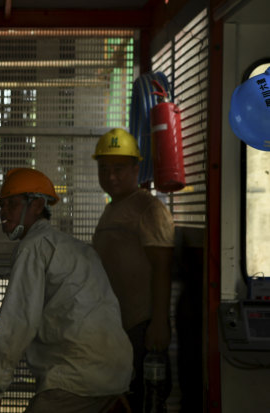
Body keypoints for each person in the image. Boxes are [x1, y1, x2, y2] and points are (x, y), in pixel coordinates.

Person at [0, 168, 133, 413]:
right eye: (2, 206)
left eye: (12, 204)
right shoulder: (76, 249)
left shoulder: (34, 246)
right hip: (116, 374)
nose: (3, 212)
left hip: (74, 375)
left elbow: (18, 321)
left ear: (37, 205)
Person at [91, 128, 175, 412]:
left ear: (136, 169)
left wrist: (159, 323)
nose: (111, 176)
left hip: (142, 327)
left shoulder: (148, 208)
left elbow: (162, 268)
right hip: (117, 328)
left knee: (144, 402)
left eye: (119, 169)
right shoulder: (113, 207)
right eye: (104, 169)